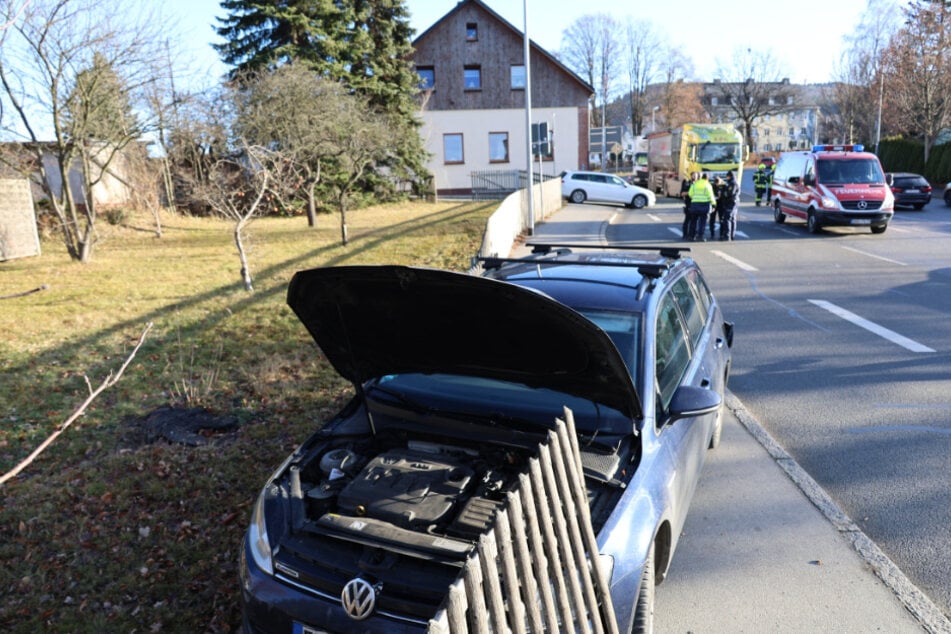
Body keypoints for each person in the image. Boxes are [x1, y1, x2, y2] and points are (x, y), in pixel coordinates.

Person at [686, 172, 716, 241]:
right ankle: (700, 236)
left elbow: (690, 194)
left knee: (693, 221)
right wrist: (714, 204)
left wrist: (695, 198)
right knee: (702, 222)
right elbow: (711, 196)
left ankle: (691, 236)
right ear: (707, 179)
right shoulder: (708, 185)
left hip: (695, 205)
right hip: (704, 205)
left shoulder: (695, 184)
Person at [717, 170, 740, 241]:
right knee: (732, 219)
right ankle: (731, 235)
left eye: (727, 176)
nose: (726, 178)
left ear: (729, 176)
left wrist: (723, 193)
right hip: (732, 202)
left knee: (728, 219)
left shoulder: (732, 183)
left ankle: (727, 236)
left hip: (731, 203)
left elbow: (730, 193)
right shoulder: (731, 183)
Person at [680, 172, 698, 238]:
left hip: (696, 204)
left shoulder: (698, 184)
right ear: (691, 176)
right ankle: (685, 234)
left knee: (695, 220)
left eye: (696, 176)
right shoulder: (687, 183)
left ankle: (692, 234)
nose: (695, 177)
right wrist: (690, 192)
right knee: (687, 220)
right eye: (694, 176)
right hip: (689, 204)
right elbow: (682, 193)